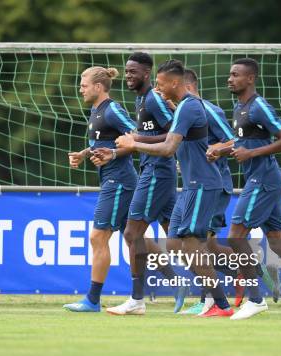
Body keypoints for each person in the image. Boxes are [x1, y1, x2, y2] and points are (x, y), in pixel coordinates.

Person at [206, 58, 281, 320]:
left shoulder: (259, 105)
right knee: (278, 241)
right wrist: (222, 150)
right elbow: (242, 142)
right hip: (262, 178)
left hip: (263, 178)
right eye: (229, 74)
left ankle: (256, 299)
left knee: (236, 234)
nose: (230, 79)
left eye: (236, 75)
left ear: (250, 79)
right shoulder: (240, 107)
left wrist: (252, 153)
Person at [116, 59, 233, 318]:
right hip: (190, 186)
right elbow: (180, 144)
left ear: (174, 83)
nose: (157, 89)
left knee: (192, 245)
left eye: (159, 84)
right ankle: (234, 282)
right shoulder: (182, 107)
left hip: (204, 185)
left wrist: (133, 144)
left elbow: (168, 148)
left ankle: (223, 304)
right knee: (175, 244)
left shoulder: (190, 106)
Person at [178, 68, 281, 315]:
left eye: (165, 86)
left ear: (185, 85)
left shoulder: (207, 109)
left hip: (214, 184)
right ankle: (251, 269)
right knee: (204, 246)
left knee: (195, 244)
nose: (161, 92)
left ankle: (214, 300)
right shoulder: (182, 110)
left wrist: (216, 150)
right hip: (197, 184)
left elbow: (234, 141)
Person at [104, 52, 186, 316]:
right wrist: (119, 150)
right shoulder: (141, 99)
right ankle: (238, 272)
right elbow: (146, 138)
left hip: (157, 173)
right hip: (154, 171)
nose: (128, 76)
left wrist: (137, 139)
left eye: (133, 72)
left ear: (147, 74)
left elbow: (176, 133)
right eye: (126, 71)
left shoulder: (152, 98)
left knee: (132, 234)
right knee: (180, 240)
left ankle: (137, 300)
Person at [63, 66, 138, 312]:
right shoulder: (95, 110)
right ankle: (172, 281)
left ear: (98, 87)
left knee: (98, 236)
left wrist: (113, 155)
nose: (80, 89)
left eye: (84, 85)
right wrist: (84, 154)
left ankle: (92, 300)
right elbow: (103, 143)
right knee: (133, 238)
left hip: (119, 180)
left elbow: (135, 138)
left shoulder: (113, 108)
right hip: (112, 179)